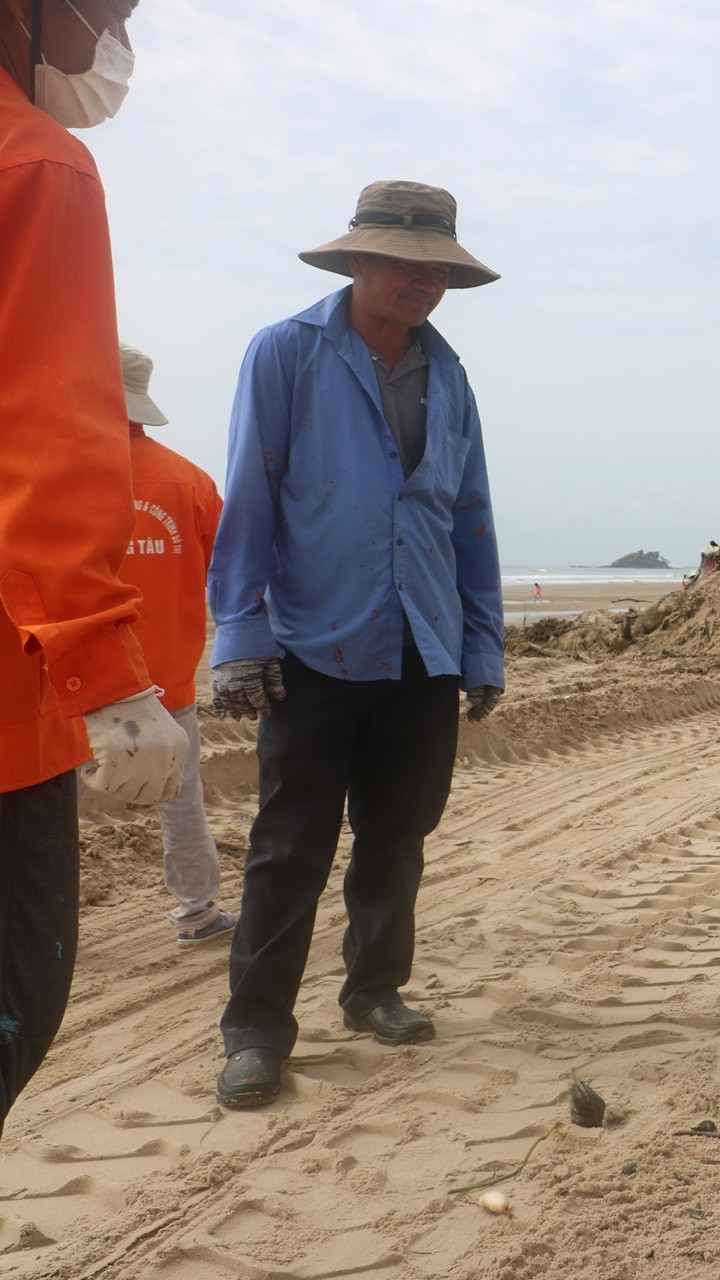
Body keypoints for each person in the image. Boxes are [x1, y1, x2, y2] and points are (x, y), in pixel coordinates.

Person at [206, 180, 506, 1108]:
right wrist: (240, 631)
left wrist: (483, 643)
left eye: (438, 270)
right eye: (405, 264)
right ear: (357, 260)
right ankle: (256, 1030)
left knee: (397, 835)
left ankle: (375, 990)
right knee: (288, 842)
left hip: (425, 644)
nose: (422, 283)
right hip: (313, 645)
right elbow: (252, 494)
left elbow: (471, 517)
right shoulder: (287, 354)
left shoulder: (447, 375)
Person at [0, 0, 189, 1135]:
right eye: (111, 6)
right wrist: (105, 677)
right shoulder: (35, 165)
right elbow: (42, 435)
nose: (116, 34)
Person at [117, 343, 237, 943]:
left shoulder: (51, 477)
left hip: (70, 677)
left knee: (43, 807)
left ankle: (34, 933)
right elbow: (230, 573)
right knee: (181, 796)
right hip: (167, 675)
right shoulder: (189, 480)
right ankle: (198, 913)